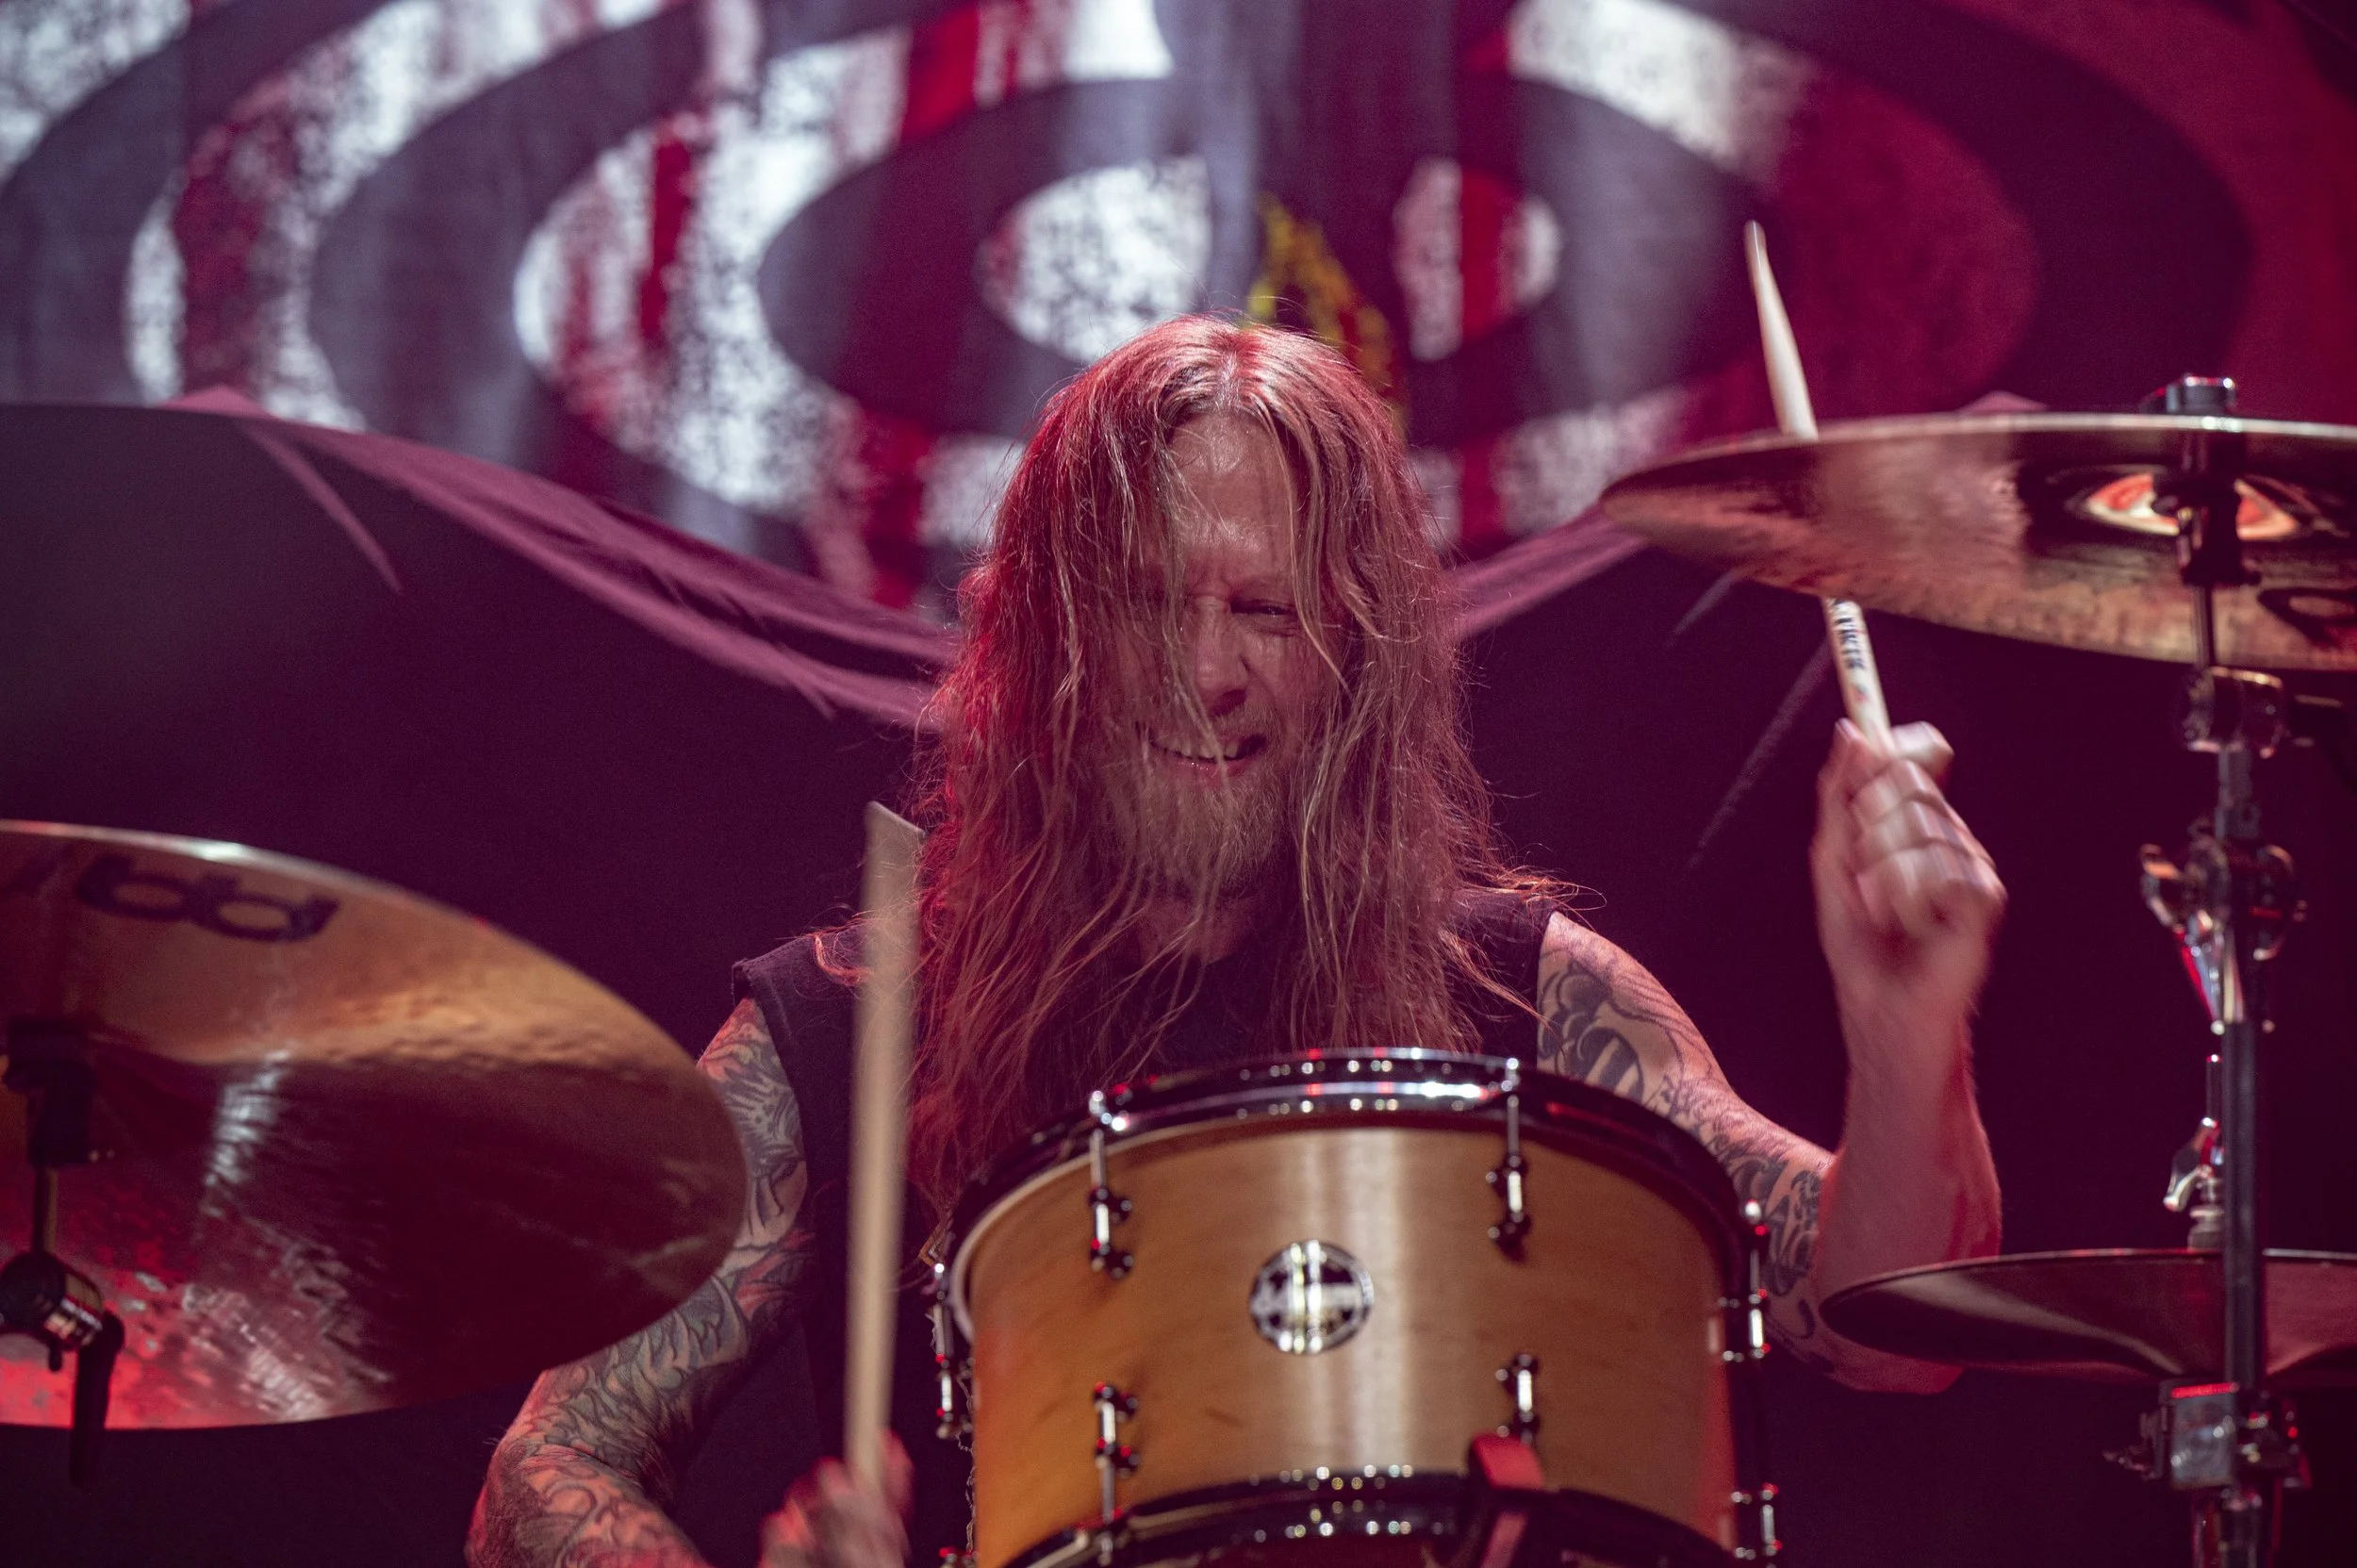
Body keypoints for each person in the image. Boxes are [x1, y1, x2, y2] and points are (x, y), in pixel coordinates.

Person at [467, 316, 2004, 1568]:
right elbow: (545, 1464)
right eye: (1148, 602)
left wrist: (1905, 1030)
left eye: (1266, 607)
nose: (1208, 670)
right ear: (1047, 640)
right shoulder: (848, 1030)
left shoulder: (1521, 994)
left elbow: (1891, 1331)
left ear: (1359, 650)